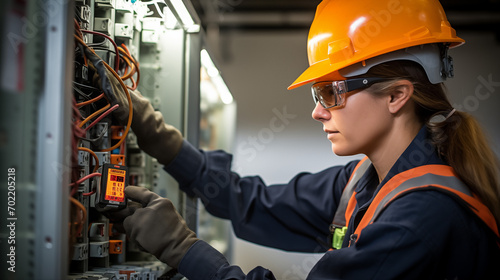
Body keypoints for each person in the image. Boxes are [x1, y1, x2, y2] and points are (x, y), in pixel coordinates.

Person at [103, 0, 500, 279]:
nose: (318, 112)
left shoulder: (420, 218)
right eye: (318, 94)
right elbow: (251, 202)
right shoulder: (365, 180)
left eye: (332, 93)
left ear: (397, 95)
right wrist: (156, 134)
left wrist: (182, 249)